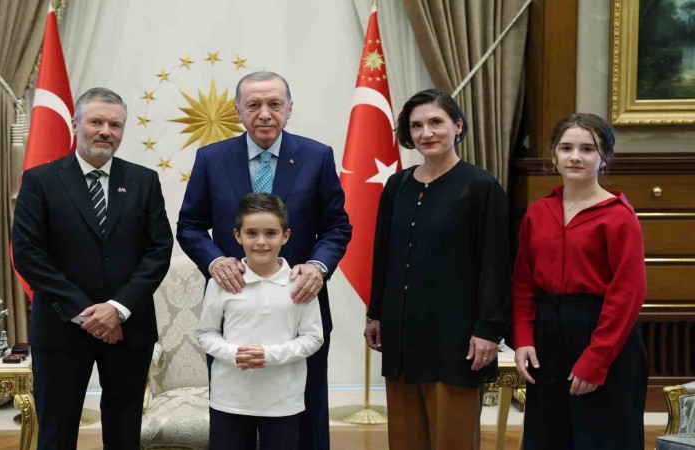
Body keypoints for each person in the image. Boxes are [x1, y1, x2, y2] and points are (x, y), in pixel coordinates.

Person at [177, 71, 351, 450]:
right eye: (253, 105)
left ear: (289, 109)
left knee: (304, 421)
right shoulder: (211, 158)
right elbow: (189, 225)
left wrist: (318, 267)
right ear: (238, 111)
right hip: (233, 309)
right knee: (232, 423)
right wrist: (214, 261)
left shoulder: (317, 156)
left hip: (297, 306)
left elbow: (337, 226)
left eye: (275, 104)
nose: (265, 113)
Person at [12, 87, 173, 450]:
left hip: (128, 328)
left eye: (115, 125)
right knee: (56, 432)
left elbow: (158, 250)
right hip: (60, 328)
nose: (105, 131)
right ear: (75, 124)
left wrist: (116, 308)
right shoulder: (40, 180)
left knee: (124, 432)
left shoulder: (144, 180)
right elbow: (28, 254)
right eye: (96, 121)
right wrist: (88, 313)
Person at [363, 88, 511, 450]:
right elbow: (383, 255)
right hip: (401, 334)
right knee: (404, 440)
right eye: (416, 126)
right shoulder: (397, 185)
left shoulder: (481, 186)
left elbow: (496, 265)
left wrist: (488, 331)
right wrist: (376, 313)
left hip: (456, 339)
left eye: (435, 122)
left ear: (457, 126)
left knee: (452, 440)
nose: (426, 132)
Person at [512, 113, 647, 449]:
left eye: (587, 149)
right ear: (554, 156)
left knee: (602, 436)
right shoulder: (538, 213)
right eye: (566, 148)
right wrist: (524, 338)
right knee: (548, 435)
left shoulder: (619, 217)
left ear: (604, 158)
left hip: (602, 333)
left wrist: (596, 359)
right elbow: (523, 282)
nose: (575, 156)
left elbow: (628, 293)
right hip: (548, 333)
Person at [197, 193, 324, 450]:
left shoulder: (301, 283)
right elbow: (206, 333)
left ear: (286, 235)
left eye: (271, 233)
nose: (261, 242)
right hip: (229, 400)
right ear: (237, 235)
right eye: (252, 233)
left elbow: (313, 337)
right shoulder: (221, 283)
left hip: (283, 402)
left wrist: (269, 355)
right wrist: (235, 354)